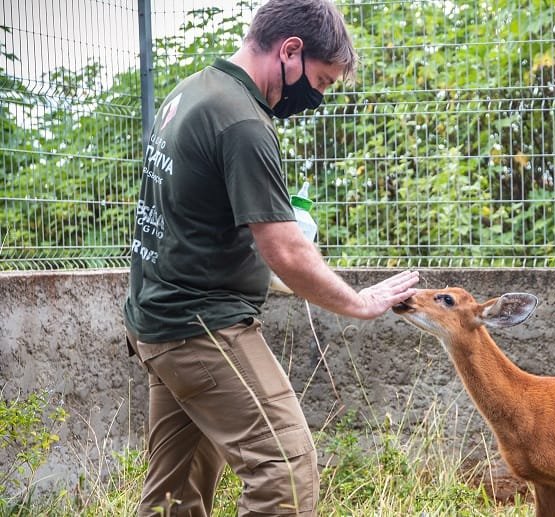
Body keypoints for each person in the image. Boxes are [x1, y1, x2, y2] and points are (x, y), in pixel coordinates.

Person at [122, 1, 419, 515]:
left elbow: (194, 217)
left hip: (158, 323)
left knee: (174, 496)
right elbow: (283, 248)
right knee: (285, 467)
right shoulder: (242, 120)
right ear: (290, 51)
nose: (316, 98)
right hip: (203, 328)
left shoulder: (192, 92)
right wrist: (359, 302)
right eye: (320, 82)